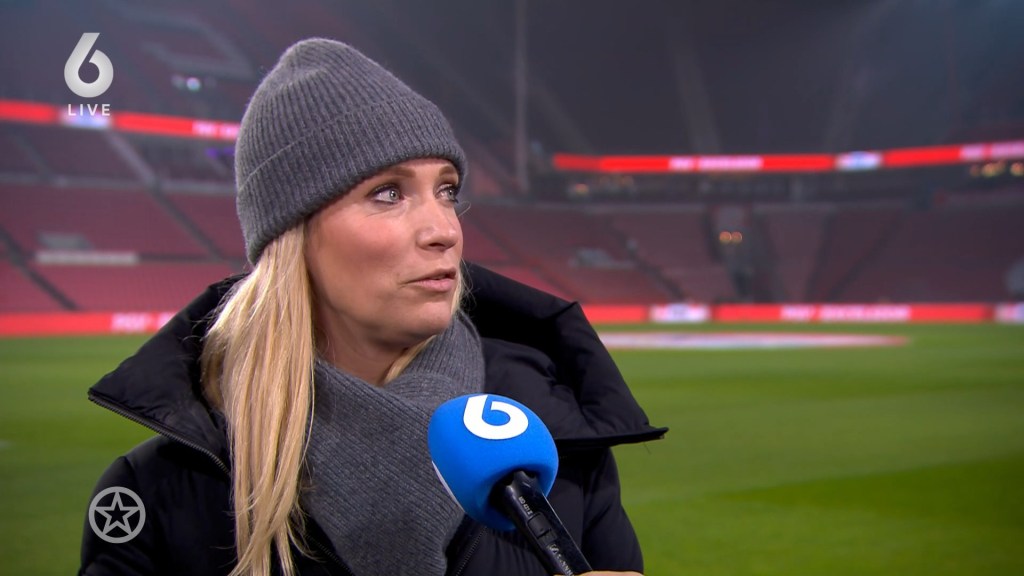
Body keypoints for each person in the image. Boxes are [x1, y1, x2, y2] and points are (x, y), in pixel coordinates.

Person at [79, 38, 666, 576]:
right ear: (292, 237)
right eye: (388, 193)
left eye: (447, 191)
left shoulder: (559, 440)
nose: (445, 230)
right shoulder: (158, 492)